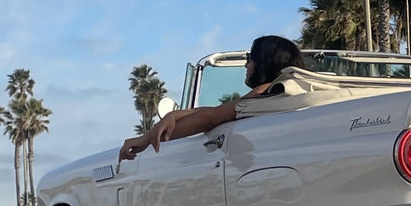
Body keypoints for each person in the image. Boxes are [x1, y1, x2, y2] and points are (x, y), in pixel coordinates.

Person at [118, 35, 303, 161]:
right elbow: (218, 112)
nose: (246, 65)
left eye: (250, 58)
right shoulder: (290, 91)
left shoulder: (265, 91)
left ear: (264, 62)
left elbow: (210, 119)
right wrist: (174, 115)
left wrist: (146, 139)